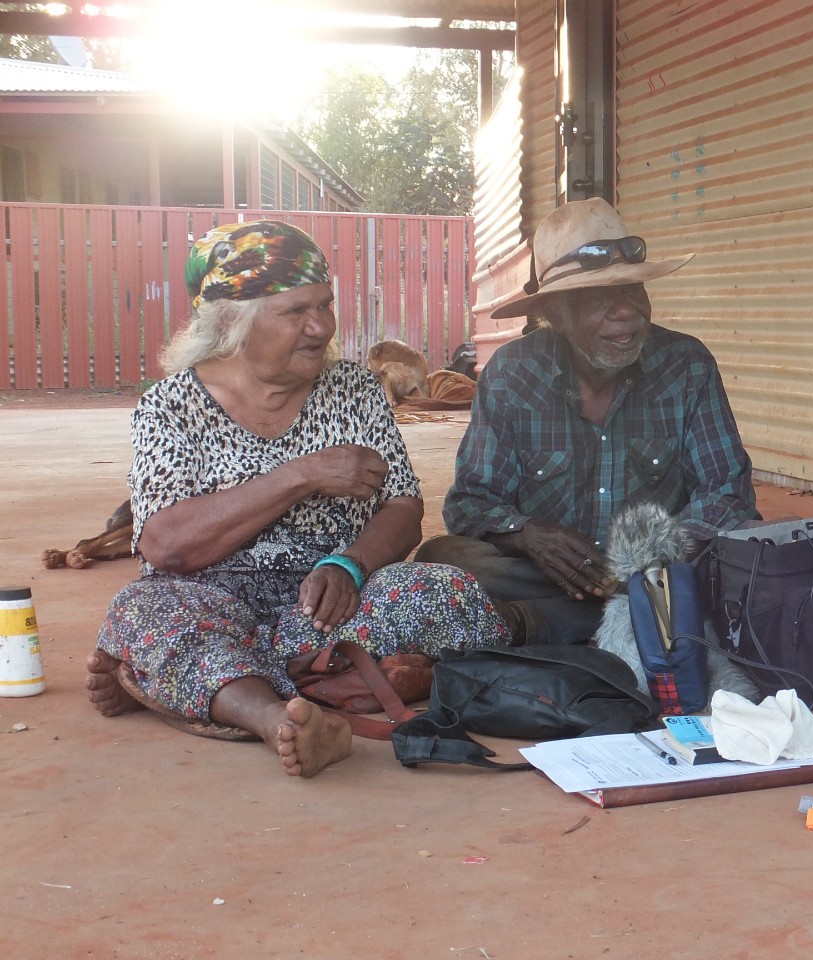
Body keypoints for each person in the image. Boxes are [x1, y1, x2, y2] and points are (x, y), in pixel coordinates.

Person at [84, 220, 511, 777]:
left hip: (335, 607)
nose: (319, 326)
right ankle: (282, 717)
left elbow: (403, 508)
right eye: (294, 312)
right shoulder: (170, 408)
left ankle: (199, 685)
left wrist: (350, 564)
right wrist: (301, 474)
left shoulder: (353, 390)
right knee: (145, 610)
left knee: (442, 589)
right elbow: (167, 546)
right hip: (213, 603)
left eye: (325, 305)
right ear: (230, 322)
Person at [415, 198, 759, 645]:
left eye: (634, 290)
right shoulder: (511, 374)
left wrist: (649, 554)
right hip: (551, 577)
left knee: (751, 552)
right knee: (442, 559)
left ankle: (541, 626)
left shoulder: (686, 365)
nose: (627, 312)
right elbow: (470, 504)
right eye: (599, 297)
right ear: (555, 313)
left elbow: (728, 493)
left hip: (660, 573)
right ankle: (622, 626)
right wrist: (528, 536)